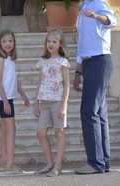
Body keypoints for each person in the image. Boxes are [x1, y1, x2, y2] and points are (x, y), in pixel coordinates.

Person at [71, 0, 117, 174]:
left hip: (100, 61)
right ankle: (103, 162)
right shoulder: (82, 10)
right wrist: (77, 72)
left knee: (88, 111)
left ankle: (95, 163)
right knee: (99, 113)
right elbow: (82, 44)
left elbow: (112, 20)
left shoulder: (97, 4)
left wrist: (97, 16)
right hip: (89, 64)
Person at [34, 28, 70, 177]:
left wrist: (63, 105)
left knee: (59, 132)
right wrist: (36, 102)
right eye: (49, 41)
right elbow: (40, 82)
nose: (51, 44)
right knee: (41, 131)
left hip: (57, 102)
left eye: (54, 41)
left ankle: (58, 165)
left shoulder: (63, 62)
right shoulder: (43, 61)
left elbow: (67, 85)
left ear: (60, 44)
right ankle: (49, 163)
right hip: (44, 102)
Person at [0, 29, 30, 173]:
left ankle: (3, 162)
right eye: (4, 41)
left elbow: (14, 80)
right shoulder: (0, 59)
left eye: (10, 41)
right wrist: (6, 102)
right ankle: (10, 164)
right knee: (11, 130)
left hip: (7, 97)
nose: (7, 44)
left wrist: (23, 95)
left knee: (4, 129)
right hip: (3, 98)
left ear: (14, 42)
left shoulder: (10, 59)